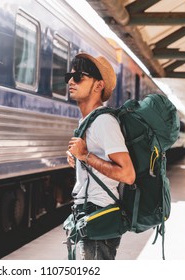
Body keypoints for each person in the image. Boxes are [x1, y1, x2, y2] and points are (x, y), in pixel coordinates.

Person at [65, 52, 136, 260]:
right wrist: (78, 160)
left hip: (99, 214)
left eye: (79, 77)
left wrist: (86, 156)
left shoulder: (104, 122)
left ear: (98, 85)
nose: (71, 80)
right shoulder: (87, 121)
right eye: (69, 76)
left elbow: (128, 174)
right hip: (87, 213)